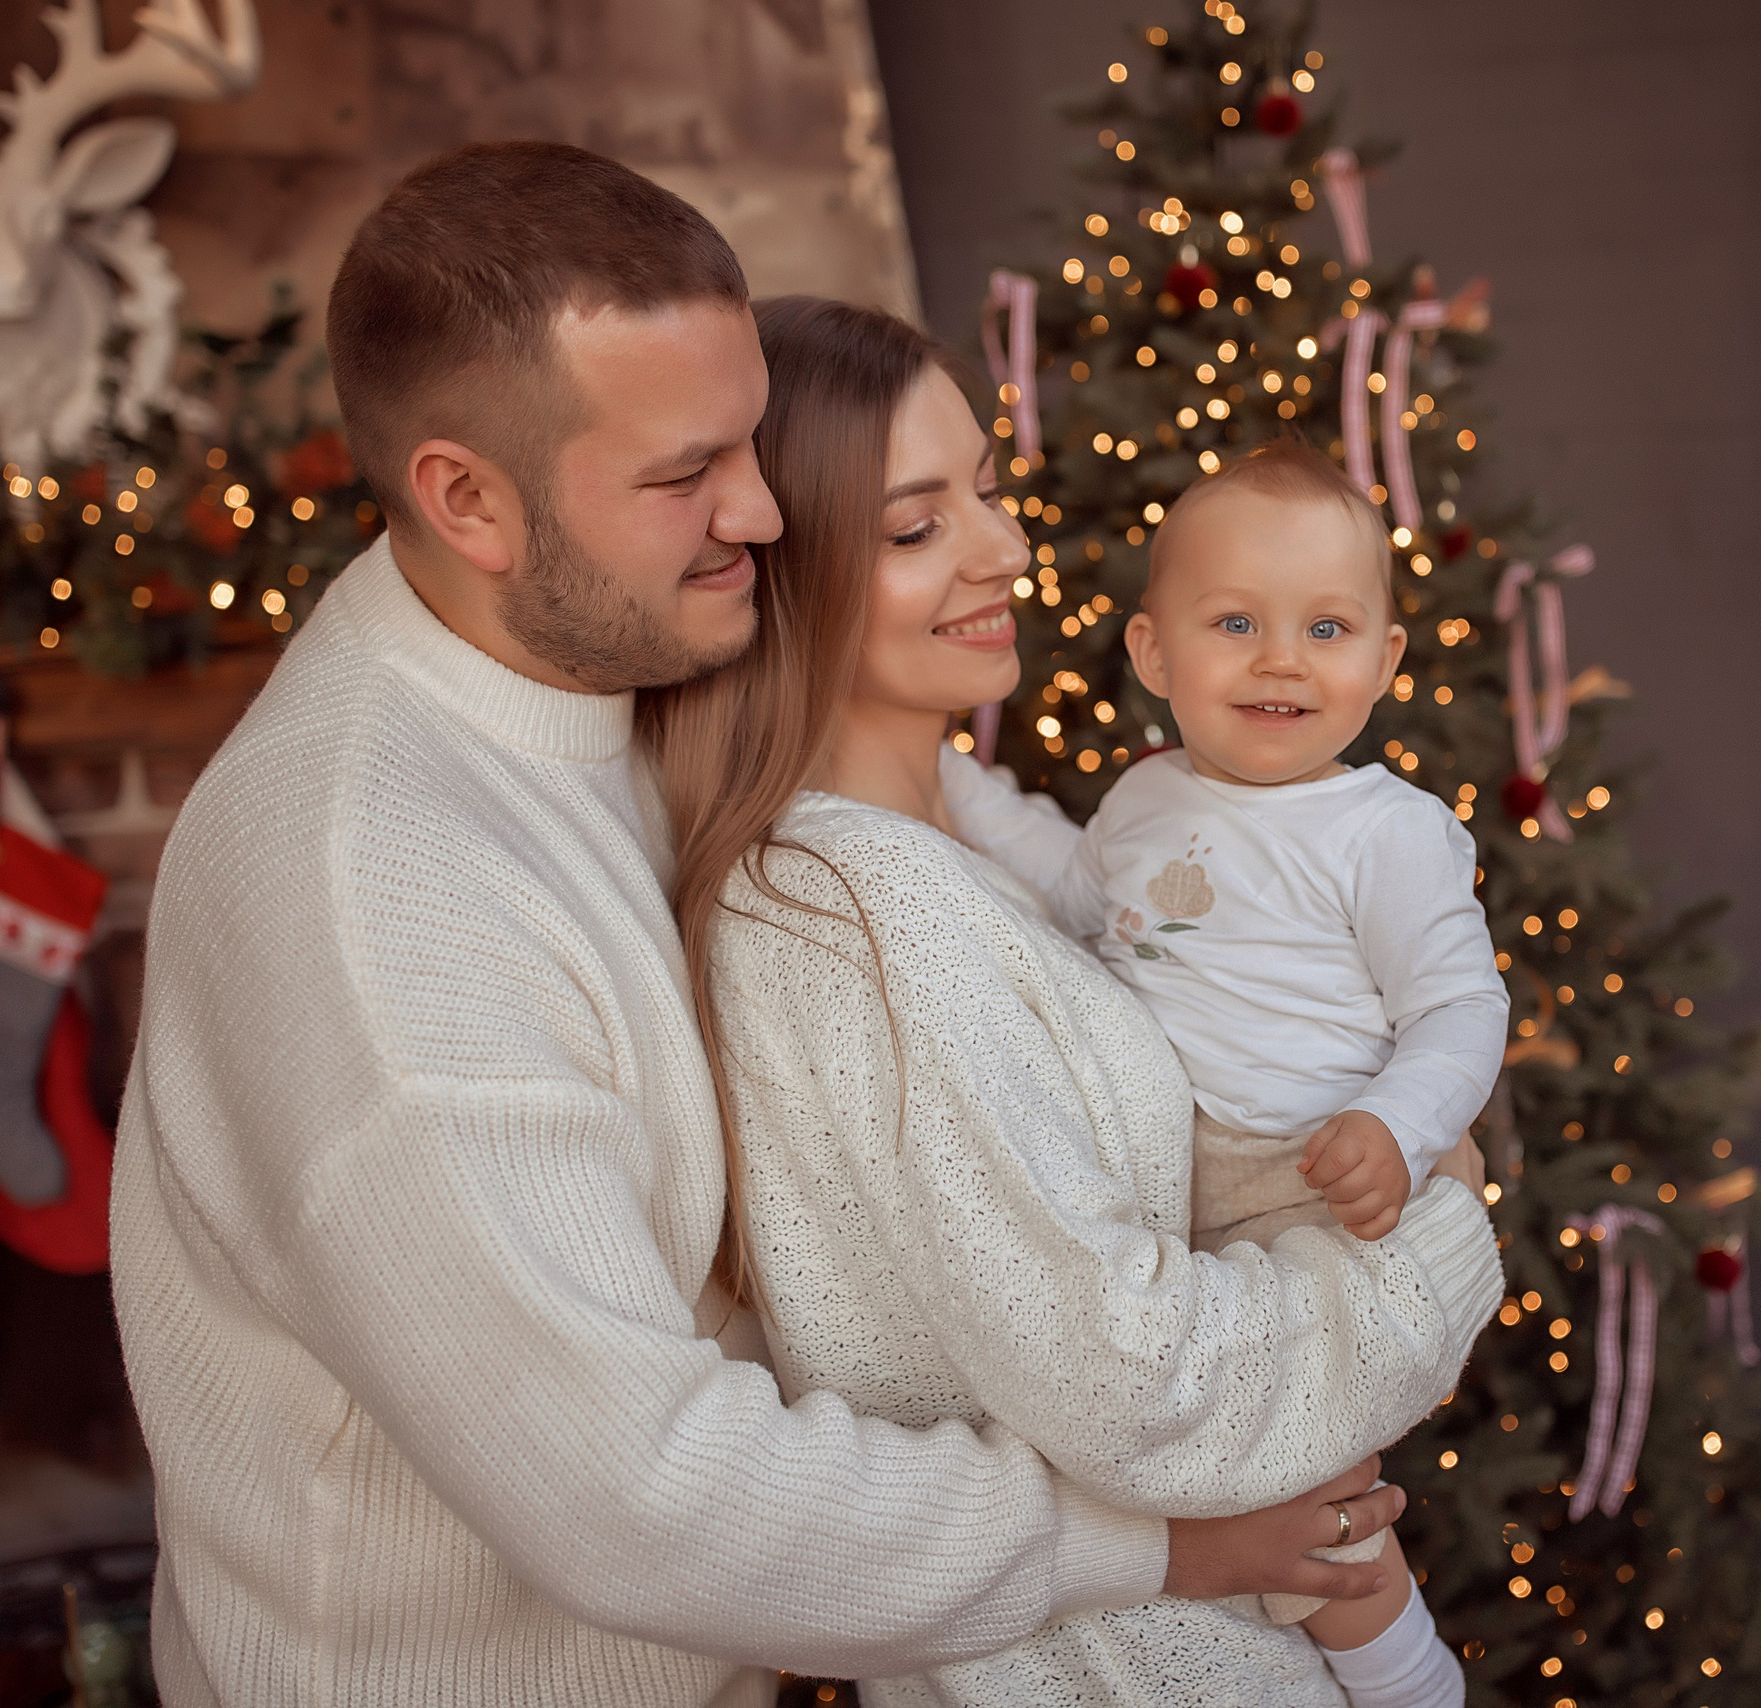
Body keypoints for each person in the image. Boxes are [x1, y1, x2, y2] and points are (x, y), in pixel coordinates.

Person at [110, 142, 1408, 1708]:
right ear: (466, 499)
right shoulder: (374, 893)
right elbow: (636, 1495)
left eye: (748, 444)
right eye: (683, 475)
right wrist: (1162, 1545)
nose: (766, 511)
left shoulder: (615, 688)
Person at [641, 295, 1500, 1708]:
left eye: (985, 491)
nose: (1003, 548)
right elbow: (1134, 1383)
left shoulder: (916, 865)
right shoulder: (865, 915)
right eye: (918, 527)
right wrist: (1445, 1238)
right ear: (785, 571)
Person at [941, 440, 1507, 1649]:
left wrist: (1395, 1129)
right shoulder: (1147, 797)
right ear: (1154, 652)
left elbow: (1461, 1010)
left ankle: (1405, 1680)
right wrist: (959, 789)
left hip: (1311, 1172)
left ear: (1384, 659)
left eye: (1327, 628)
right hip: (1159, 1179)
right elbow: (1070, 892)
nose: (1281, 661)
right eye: (1236, 621)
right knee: (1198, 1453)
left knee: (1311, 1482)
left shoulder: (1384, 833)